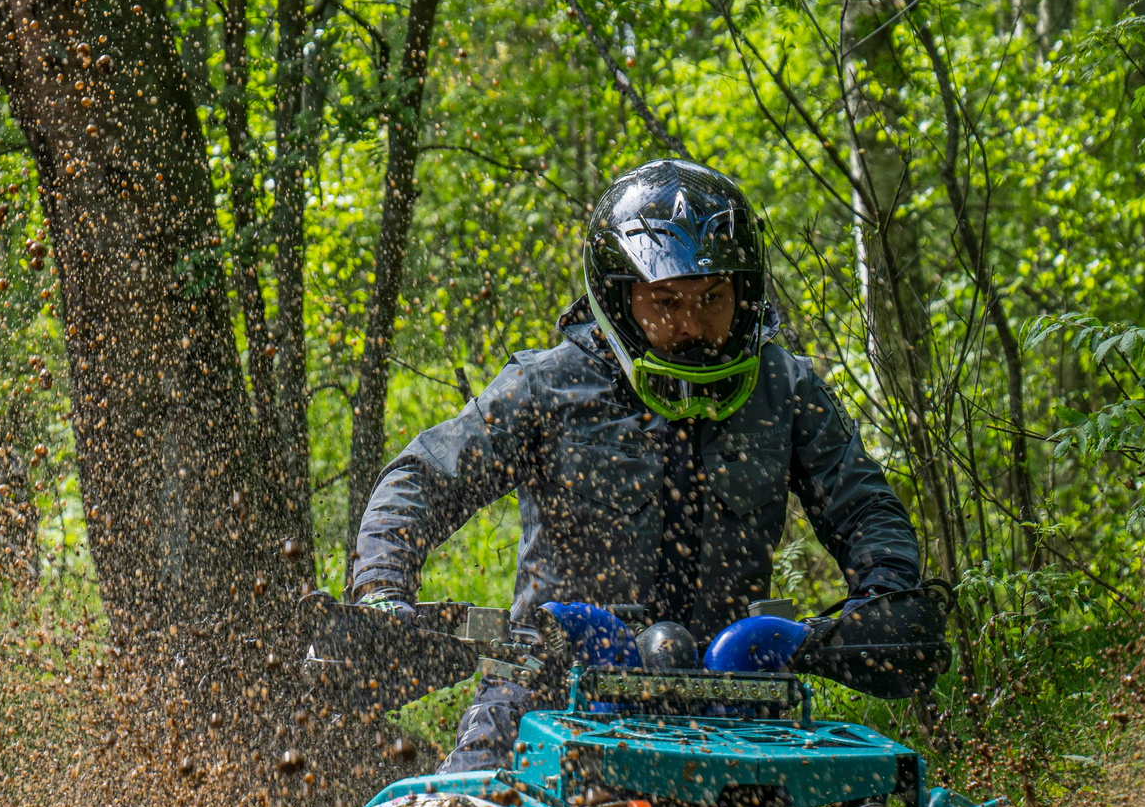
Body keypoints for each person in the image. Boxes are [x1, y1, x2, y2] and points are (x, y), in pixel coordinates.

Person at [346, 159, 925, 772]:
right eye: (666, 301)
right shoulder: (548, 386)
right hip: (546, 686)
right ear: (621, 299)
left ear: (744, 293)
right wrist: (384, 592)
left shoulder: (785, 389)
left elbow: (866, 511)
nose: (692, 325)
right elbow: (423, 478)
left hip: (736, 696)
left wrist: (881, 600)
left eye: (713, 298)